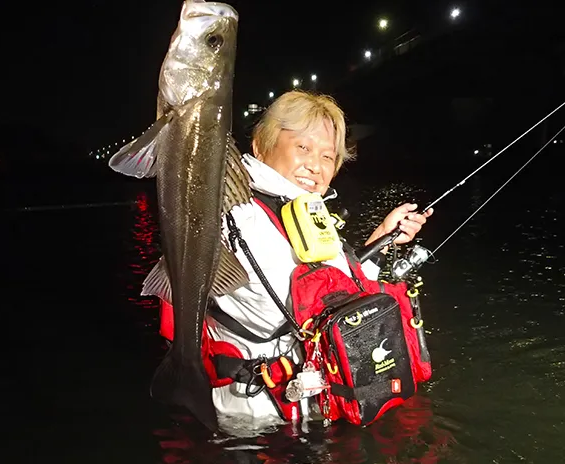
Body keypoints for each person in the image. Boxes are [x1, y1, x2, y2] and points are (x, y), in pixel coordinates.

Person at [159, 90, 433, 429]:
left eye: (328, 156)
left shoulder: (303, 209)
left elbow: (334, 292)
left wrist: (379, 239)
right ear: (261, 146)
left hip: (311, 411)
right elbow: (287, 305)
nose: (316, 166)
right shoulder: (235, 214)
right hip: (255, 425)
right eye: (302, 148)